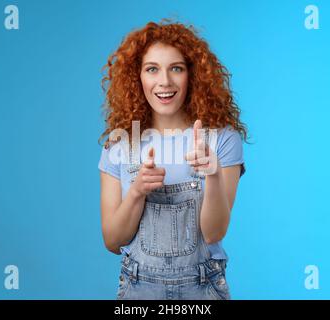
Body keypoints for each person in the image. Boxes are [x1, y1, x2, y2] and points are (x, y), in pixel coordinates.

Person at [98, 20, 249, 300]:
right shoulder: (120, 143)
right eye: (152, 69)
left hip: (203, 289)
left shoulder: (221, 140)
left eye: (176, 68)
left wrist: (213, 175)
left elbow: (214, 233)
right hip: (138, 289)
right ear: (137, 76)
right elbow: (112, 240)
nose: (164, 81)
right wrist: (136, 192)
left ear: (192, 75)